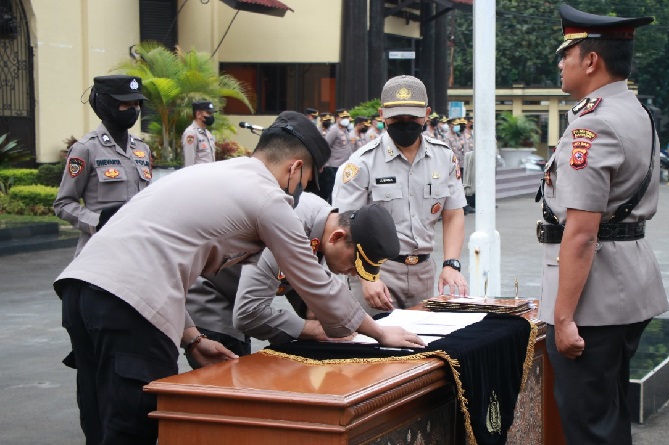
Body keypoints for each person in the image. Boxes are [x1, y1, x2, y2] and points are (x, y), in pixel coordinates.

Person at [55, 110, 424, 445]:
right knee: (134, 427)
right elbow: (314, 282)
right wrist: (378, 332)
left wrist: (192, 337)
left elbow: (163, 262)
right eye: (307, 180)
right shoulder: (267, 198)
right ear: (295, 169)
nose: (301, 190)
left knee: (100, 419)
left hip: (84, 289)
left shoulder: (214, 172)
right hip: (128, 306)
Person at [536, 5, 669, 444]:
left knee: (589, 424)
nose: (560, 63)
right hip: (629, 281)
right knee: (609, 415)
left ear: (590, 60)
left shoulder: (592, 127)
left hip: (592, 295)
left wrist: (564, 315)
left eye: (566, 54)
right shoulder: (636, 112)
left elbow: (581, 233)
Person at [333, 75, 469, 314]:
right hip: (378, 273)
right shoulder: (361, 164)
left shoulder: (444, 157)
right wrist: (366, 277)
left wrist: (451, 264)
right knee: (375, 347)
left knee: (423, 346)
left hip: (425, 273)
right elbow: (344, 226)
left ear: (426, 113)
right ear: (382, 114)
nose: (405, 123)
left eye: (412, 117)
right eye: (396, 118)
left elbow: (453, 212)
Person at [234, 193, 400, 344]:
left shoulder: (325, 222)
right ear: (337, 237)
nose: (354, 273)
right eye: (354, 264)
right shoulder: (290, 222)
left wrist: (310, 308)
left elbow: (297, 272)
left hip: (241, 296)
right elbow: (249, 314)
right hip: (216, 298)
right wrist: (315, 330)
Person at [53, 75, 152, 258]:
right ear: (107, 105)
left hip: (138, 253)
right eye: (126, 105)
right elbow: (63, 204)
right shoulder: (86, 148)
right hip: (100, 254)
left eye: (137, 105)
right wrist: (98, 222)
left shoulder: (141, 148)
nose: (134, 110)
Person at [318, 109, 353, 203]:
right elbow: (325, 146)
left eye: (347, 117)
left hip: (343, 165)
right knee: (332, 189)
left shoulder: (345, 130)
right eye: (343, 117)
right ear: (337, 118)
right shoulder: (334, 130)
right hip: (334, 166)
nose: (346, 119)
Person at [181, 100, 216, 166]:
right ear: (198, 114)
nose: (211, 116)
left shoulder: (207, 133)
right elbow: (189, 162)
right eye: (208, 113)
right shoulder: (191, 133)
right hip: (199, 175)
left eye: (212, 114)